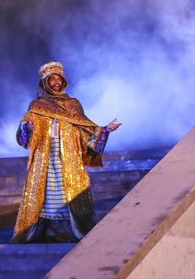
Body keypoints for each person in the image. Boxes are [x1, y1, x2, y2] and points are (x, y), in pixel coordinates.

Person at [12, 61, 121, 243]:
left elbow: (86, 132)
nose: (56, 82)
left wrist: (104, 130)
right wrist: (26, 128)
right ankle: (43, 234)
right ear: (45, 83)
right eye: (52, 79)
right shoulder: (37, 106)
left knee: (69, 195)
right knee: (44, 198)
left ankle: (74, 233)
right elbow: (24, 137)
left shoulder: (73, 105)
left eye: (58, 79)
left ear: (63, 82)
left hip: (69, 160)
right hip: (44, 160)